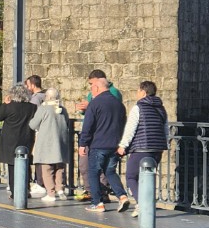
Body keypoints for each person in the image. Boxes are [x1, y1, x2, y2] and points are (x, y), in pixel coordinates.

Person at [77, 70, 127, 213]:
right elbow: (123, 123)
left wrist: (82, 144)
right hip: (114, 144)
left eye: (92, 87)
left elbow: (88, 125)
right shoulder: (119, 104)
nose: (91, 90)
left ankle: (97, 203)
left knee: (94, 172)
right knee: (110, 171)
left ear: (97, 88)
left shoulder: (95, 103)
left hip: (98, 144)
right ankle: (122, 196)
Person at [117, 80, 169, 209]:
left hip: (141, 149)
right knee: (147, 178)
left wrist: (123, 146)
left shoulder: (138, 108)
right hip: (157, 150)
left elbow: (130, 128)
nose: (137, 93)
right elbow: (165, 130)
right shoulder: (161, 109)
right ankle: (147, 204)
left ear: (144, 92)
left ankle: (143, 205)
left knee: (131, 176)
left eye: (138, 91)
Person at [29, 87, 70, 203]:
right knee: (60, 167)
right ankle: (60, 189)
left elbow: (33, 124)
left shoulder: (44, 108)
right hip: (61, 142)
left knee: (47, 169)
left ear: (47, 97)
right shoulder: (63, 109)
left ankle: (51, 193)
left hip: (47, 143)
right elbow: (67, 123)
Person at [0, 84, 37, 193]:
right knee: (25, 163)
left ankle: (14, 191)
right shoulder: (32, 107)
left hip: (10, 140)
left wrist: (4, 103)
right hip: (26, 138)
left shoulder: (9, 106)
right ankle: (26, 189)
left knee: (12, 166)